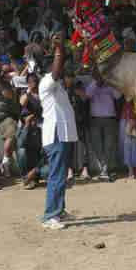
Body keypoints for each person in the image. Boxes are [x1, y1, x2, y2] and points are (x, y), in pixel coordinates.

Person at [38, 32, 78, 230]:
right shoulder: (47, 82)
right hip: (55, 134)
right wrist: (59, 50)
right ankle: (50, 216)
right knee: (56, 174)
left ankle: (59, 210)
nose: (64, 71)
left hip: (63, 134)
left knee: (61, 174)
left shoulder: (59, 86)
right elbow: (55, 71)